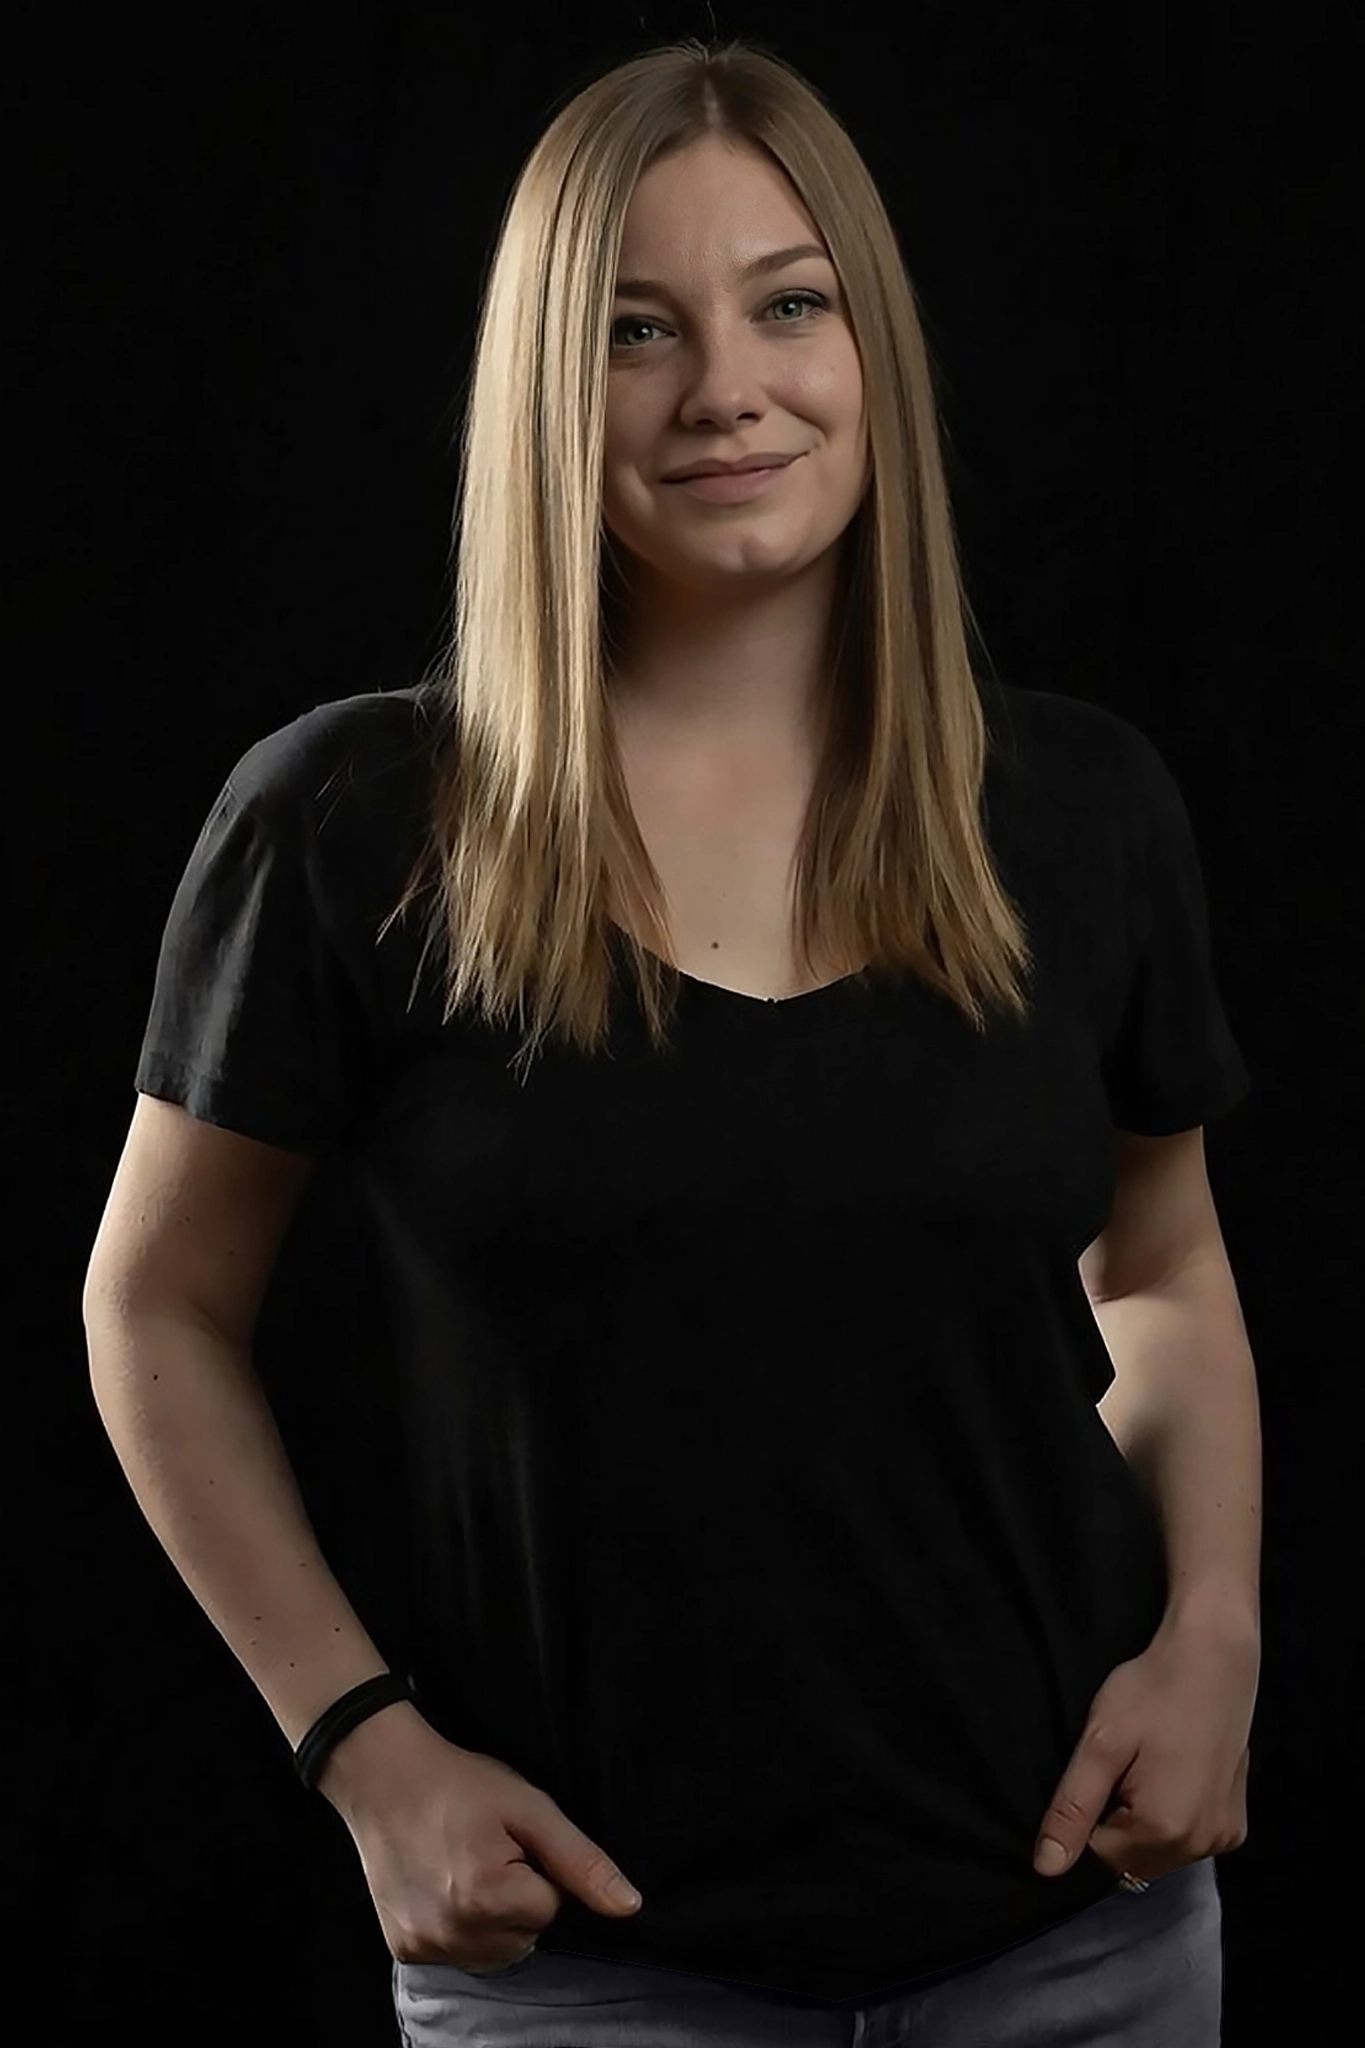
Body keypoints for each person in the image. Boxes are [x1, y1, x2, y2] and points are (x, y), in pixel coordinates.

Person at [83, 34, 1253, 2048]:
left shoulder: (1079, 809)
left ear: (873, 347)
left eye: (788, 304)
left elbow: (1157, 1266)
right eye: (638, 330)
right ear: (547, 385)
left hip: (1082, 1944)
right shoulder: (351, 825)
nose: (725, 387)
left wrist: (1214, 1632)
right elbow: (156, 1304)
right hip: (588, 1974)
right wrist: (362, 1746)